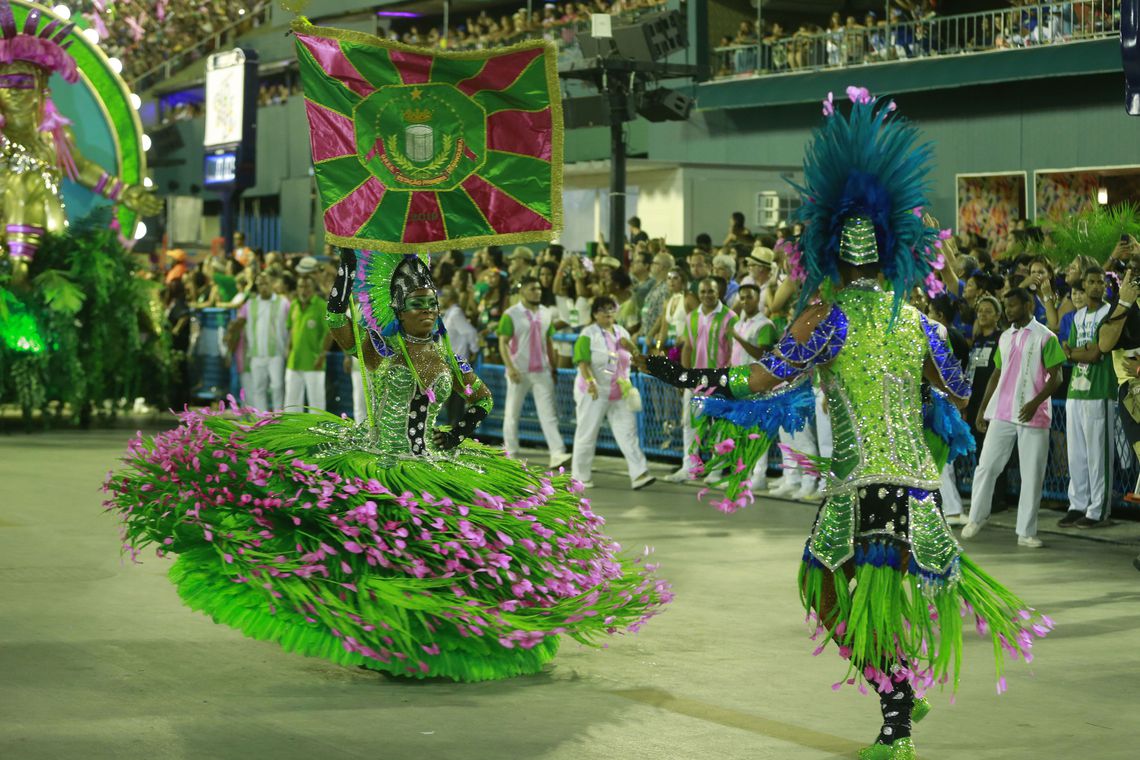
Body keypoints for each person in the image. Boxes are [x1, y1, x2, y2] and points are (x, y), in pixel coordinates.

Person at [640, 90, 1050, 759]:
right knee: (839, 589)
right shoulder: (921, 323)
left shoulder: (827, 320)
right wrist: (970, 342)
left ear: (831, 251)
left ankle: (895, 723)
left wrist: (678, 375)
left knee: (827, 589)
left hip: (866, 486)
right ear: (889, 253)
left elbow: (757, 380)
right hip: (913, 485)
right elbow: (963, 388)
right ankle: (897, 699)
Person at [104, 251, 671, 682]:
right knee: (380, 553)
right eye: (417, 307)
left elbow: (479, 397)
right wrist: (345, 280)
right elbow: (340, 331)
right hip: (382, 460)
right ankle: (386, 638)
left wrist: (463, 427)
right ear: (400, 311)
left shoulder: (445, 351)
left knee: (454, 556)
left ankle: (428, 638)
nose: (427, 314)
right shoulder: (384, 348)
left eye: (432, 306)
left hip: (437, 460)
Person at [961, 288, 1065, 547]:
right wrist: (984, 408)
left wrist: (1034, 403)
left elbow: (1057, 377)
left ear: (1028, 305)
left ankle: (1026, 533)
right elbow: (997, 374)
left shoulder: (1045, 337)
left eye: (1013, 306)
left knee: (1032, 474)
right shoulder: (1006, 337)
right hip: (1003, 412)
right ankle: (976, 517)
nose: (1008, 311)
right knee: (986, 466)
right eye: (1006, 307)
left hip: (1033, 414)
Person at [570, 296, 655, 490]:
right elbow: (582, 361)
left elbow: (633, 356)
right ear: (595, 314)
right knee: (587, 433)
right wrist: (591, 382)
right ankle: (580, 476)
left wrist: (631, 346)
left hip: (619, 391)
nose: (608, 313)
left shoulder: (621, 332)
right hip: (594, 392)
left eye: (611, 308)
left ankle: (639, 473)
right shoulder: (588, 334)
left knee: (628, 432)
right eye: (603, 309)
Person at [1058, 266, 1116, 528]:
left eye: (1100, 282)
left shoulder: (1110, 314)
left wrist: (1076, 353)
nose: (1096, 286)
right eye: (1091, 282)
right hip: (1075, 391)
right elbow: (1066, 350)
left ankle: (1098, 510)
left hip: (1100, 391)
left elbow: (1096, 353)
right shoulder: (1078, 315)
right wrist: (1077, 352)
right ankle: (1077, 504)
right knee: (1077, 454)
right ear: (1083, 285)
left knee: (1098, 455)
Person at [664, 277, 736, 483]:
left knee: (719, 426)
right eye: (703, 291)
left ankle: (716, 469)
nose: (707, 295)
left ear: (718, 292)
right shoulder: (691, 317)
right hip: (695, 381)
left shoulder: (730, 317)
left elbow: (734, 350)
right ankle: (691, 466)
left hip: (718, 380)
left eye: (711, 291)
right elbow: (687, 347)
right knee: (690, 425)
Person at [498, 276, 571, 469]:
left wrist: (553, 368)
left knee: (548, 413)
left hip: (542, 371)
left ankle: (557, 453)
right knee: (512, 413)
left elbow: (549, 342)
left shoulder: (546, 313)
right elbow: (503, 342)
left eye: (538, 288)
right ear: (522, 291)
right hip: (518, 370)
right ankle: (511, 451)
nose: (537, 292)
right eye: (532, 288)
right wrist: (510, 367)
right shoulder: (511, 314)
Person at [229, 273, 290, 411]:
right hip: (256, 354)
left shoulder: (283, 303)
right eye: (260, 284)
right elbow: (239, 323)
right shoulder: (250, 304)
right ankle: (261, 420)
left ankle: (279, 418)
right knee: (258, 388)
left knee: (277, 387)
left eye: (266, 283)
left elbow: (291, 325)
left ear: (272, 284)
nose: (263, 287)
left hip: (276, 353)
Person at [284, 275, 331, 413]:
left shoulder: (321, 306)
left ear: (314, 289)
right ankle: (292, 432)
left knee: (316, 405)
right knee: (291, 404)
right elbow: (291, 328)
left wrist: (322, 355)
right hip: (294, 362)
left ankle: (317, 434)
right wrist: (288, 349)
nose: (303, 290)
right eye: (300, 286)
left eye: (307, 287)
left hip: (314, 362)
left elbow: (330, 333)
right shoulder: (294, 304)